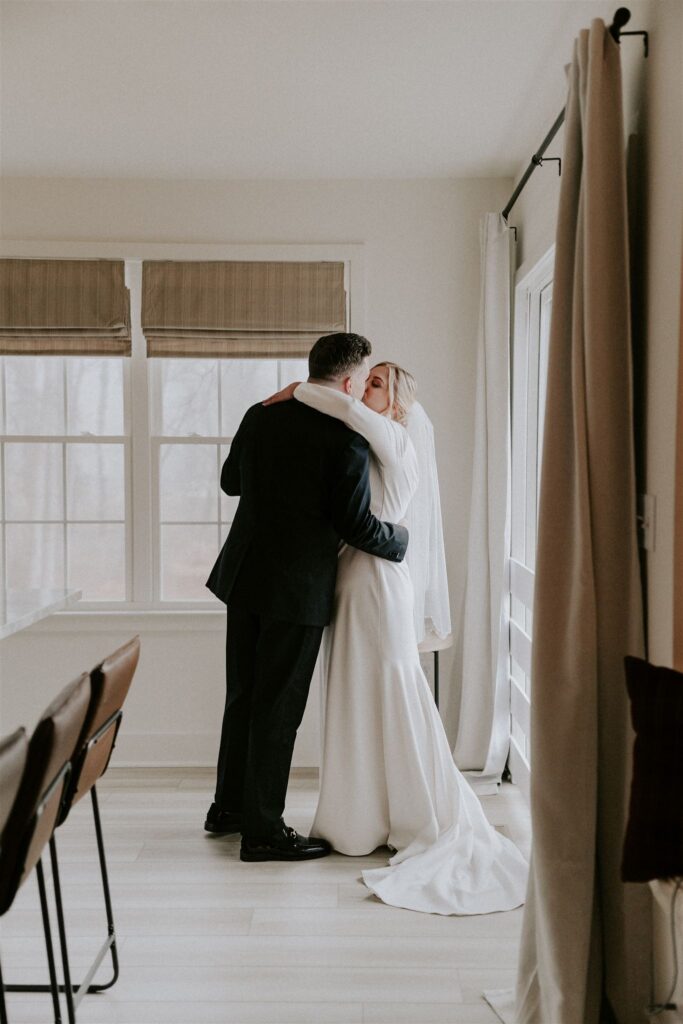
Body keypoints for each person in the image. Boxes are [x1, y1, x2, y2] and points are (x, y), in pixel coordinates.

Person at [264, 362, 528, 913]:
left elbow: (343, 405)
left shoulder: (393, 435)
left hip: (378, 583)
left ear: (399, 403)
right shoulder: (370, 438)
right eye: (367, 379)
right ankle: (360, 819)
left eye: (378, 383)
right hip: (356, 581)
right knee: (358, 696)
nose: (365, 389)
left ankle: (410, 813)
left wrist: (297, 390)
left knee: (388, 692)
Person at [204, 334, 409, 863]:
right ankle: (263, 831)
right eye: (364, 379)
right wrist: (403, 541)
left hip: (243, 574)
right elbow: (357, 525)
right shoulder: (345, 437)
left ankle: (227, 809)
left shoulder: (261, 413)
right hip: (295, 588)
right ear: (347, 382)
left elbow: (231, 483)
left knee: (243, 696)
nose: (364, 388)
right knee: (278, 707)